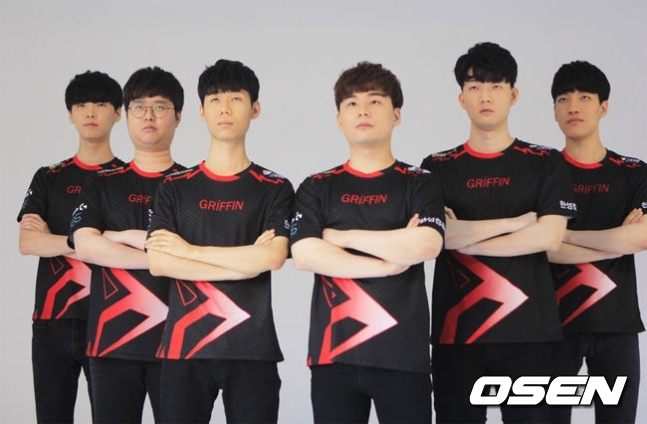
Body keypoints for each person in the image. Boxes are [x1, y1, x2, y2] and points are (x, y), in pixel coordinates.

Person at [420, 42, 577, 423]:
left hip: (530, 335)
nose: (485, 96)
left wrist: (464, 235)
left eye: (495, 85)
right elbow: (436, 241)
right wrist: (515, 223)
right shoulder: (436, 167)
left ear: (514, 94)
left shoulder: (546, 162)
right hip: (456, 336)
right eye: (474, 86)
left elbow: (549, 238)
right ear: (461, 98)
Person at [290, 61, 445, 424]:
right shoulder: (317, 186)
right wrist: (387, 264)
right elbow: (304, 253)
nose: (362, 110)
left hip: (404, 357)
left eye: (375, 101)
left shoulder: (420, 182)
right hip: (334, 357)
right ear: (339, 119)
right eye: (352, 103)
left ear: (397, 114)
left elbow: (426, 245)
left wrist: (340, 237)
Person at [145, 59, 293, 424]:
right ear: (201, 111)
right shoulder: (174, 187)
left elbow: (273, 257)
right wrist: (244, 263)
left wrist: (189, 252)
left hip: (252, 349)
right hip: (184, 349)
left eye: (235, 98)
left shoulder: (275, 188)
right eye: (214, 99)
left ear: (255, 108)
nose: (224, 108)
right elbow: (159, 263)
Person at [68, 66, 185, 423]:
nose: (149, 115)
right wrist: (161, 257)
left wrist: (116, 236)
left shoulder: (191, 184)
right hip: (112, 343)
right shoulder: (102, 183)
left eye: (160, 106)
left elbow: (196, 250)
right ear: (127, 114)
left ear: (178, 116)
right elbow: (86, 247)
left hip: (180, 344)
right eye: (139, 107)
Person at [17, 70, 124, 424]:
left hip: (111, 319)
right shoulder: (49, 177)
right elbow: (28, 242)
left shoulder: (127, 179)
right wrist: (88, 243)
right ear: (69, 113)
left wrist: (55, 240)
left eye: (100, 104)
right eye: (81, 105)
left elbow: (140, 247)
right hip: (52, 321)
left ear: (118, 113)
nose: (90, 112)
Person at [547, 60, 647, 424]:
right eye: (563, 98)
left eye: (584, 97)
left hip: (617, 325)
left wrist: (566, 235)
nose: (573, 106)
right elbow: (541, 247)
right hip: (552, 327)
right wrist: (615, 240)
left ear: (603, 107)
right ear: (555, 110)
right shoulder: (541, 172)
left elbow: (641, 237)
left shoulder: (633, 172)